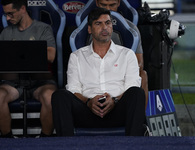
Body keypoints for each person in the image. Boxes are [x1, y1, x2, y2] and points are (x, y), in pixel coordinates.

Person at [51, 7, 146, 136]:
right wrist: (88, 102)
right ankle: (66, 146)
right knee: (60, 96)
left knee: (137, 93)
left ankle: (134, 145)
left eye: (107, 23)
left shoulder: (127, 54)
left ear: (112, 27)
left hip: (117, 110)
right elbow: (73, 89)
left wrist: (114, 100)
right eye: (98, 23)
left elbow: (132, 86)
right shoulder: (77, 56)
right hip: (87, 111)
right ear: (89, 29)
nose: (104, 27)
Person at [0, 0, 57, 138]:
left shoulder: (43, 29)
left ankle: (45, 139)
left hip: (40, 82)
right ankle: (7, 139)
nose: (8, 18)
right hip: (14, 83)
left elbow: (50, 55)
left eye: (11, 14)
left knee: (50, 98)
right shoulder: (6, 33)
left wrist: (20, 51)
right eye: (6, 14)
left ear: (23, 9)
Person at [96, 0, 148, 108]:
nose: (108, 9)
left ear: (119, 3)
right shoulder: (87, 27)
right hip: (95, 72)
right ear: (97, 3)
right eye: (103, 5)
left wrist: (118, 70)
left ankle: (140, 120)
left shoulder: (131, 29)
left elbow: (139, 63)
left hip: (122, 73)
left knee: (142, 75)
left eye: (112, 5)